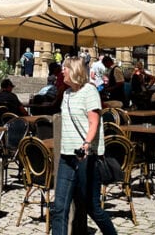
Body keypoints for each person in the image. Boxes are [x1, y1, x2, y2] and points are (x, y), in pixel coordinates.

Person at [51, 57, 118, 235]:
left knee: (92, 207)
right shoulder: (66, 94)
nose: (61, 71)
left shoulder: (90, 91)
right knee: (59, 208)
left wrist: (86, 144)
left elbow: (93, 123)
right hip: (67, 156)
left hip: (86, 157)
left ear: (73, 70)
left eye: (64, 68)